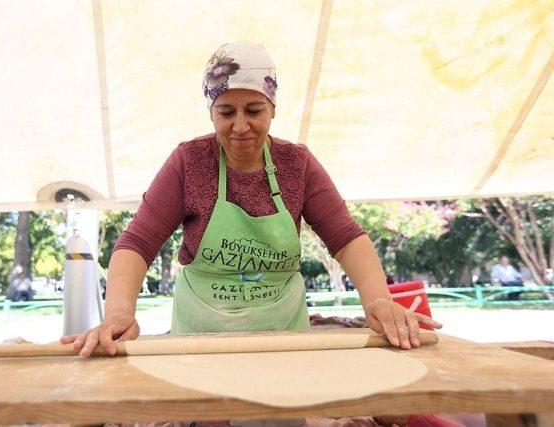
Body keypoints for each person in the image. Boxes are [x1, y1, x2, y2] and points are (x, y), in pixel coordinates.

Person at [61, 41, 442, 358]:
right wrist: (119, 312)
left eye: (254, 110)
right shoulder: (189, 162)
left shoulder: (298, 164)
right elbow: (138, 242)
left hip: (284, 339)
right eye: (226, 111)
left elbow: (346, 237)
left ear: (273, 108)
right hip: (200, 341)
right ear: (211, 112)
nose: (240, 126)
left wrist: (376, 302)